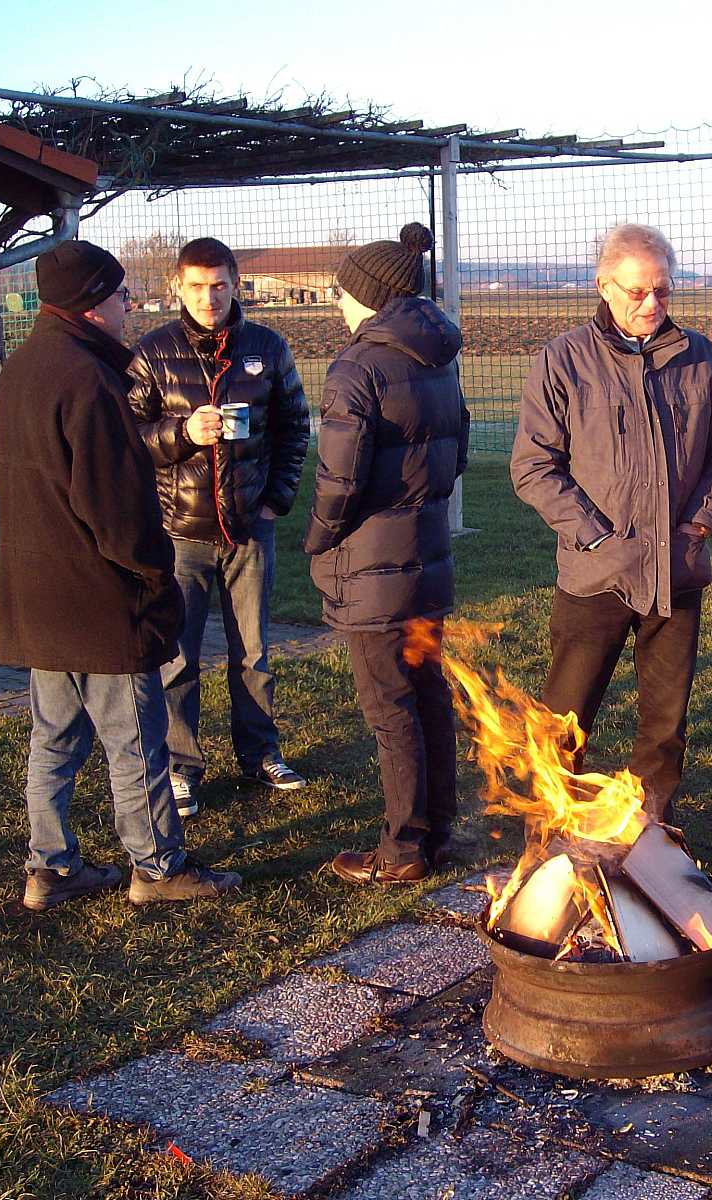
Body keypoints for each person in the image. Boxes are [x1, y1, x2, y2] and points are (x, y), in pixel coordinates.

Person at [0, 239, 241, 910]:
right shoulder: (89, 380)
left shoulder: (20, 368)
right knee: (135, 740)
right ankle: (157, 869)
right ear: (91, 304)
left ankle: (50, 868)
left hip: (38, 595)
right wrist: (153, 577)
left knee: (54, 738)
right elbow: (114, 505)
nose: (129, 305)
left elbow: (2, 474)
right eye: (121, 294)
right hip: (100, 597)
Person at [511, 223, 712, 824]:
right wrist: (595, 535)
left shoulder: (697, 356)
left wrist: (697, 527)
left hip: (677, 571)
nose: (651, 304)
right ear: (604, 286)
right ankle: (551, 831)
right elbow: (534, 466)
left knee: (665, 726)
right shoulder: (564, 359)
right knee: (565, 718)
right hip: (596, 574)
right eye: (637, 292)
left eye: (662, 291)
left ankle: (649, 830)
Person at [305, 223, 468, 884]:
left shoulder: (357, 366)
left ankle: (402, 851)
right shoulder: (438, 356)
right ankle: (439, 831)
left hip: (372, 569)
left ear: (367, 295)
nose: (338, 302)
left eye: (343, 291)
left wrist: (319, 538)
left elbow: (338, 481)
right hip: (427, 558)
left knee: (389, 707)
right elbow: (456, 454)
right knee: (427, 694)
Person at [127, 237, 310, 816]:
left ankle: (260, 754)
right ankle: (181, 766)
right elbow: (127, 438)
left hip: (250, 530)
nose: (208, 298)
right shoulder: (153, 352)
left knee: (252, 652)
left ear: (235, 284)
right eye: (197, 287)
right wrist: (183, 434)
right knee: (178, 657)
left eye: (219, 286)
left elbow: (294, 427)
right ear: (178, 287)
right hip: (179, 534)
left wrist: (276, 499)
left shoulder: (267, 347)